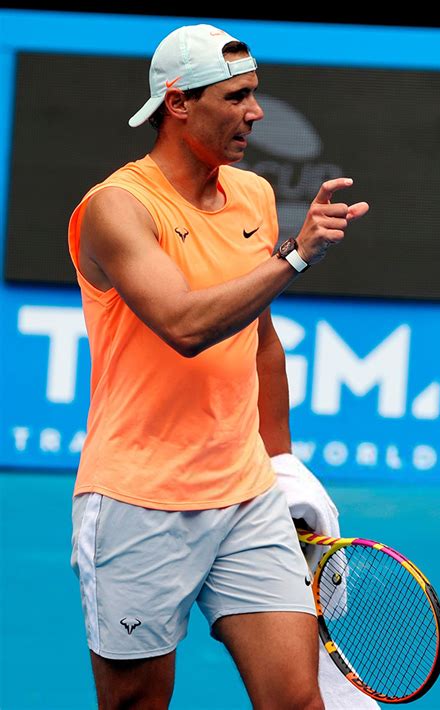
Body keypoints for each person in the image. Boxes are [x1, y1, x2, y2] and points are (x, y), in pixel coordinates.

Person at [69, 23, 369, 710]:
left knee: (297, 700)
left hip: (245, 494)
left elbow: (260, 341)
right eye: (236, 97)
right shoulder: (118, 207)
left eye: (255, 95)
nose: (255, 114)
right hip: (139, 500)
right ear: (178, 103)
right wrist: (292, 257)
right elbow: (184, 325)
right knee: (137, 703)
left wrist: (283, 466)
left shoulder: (253, 195)